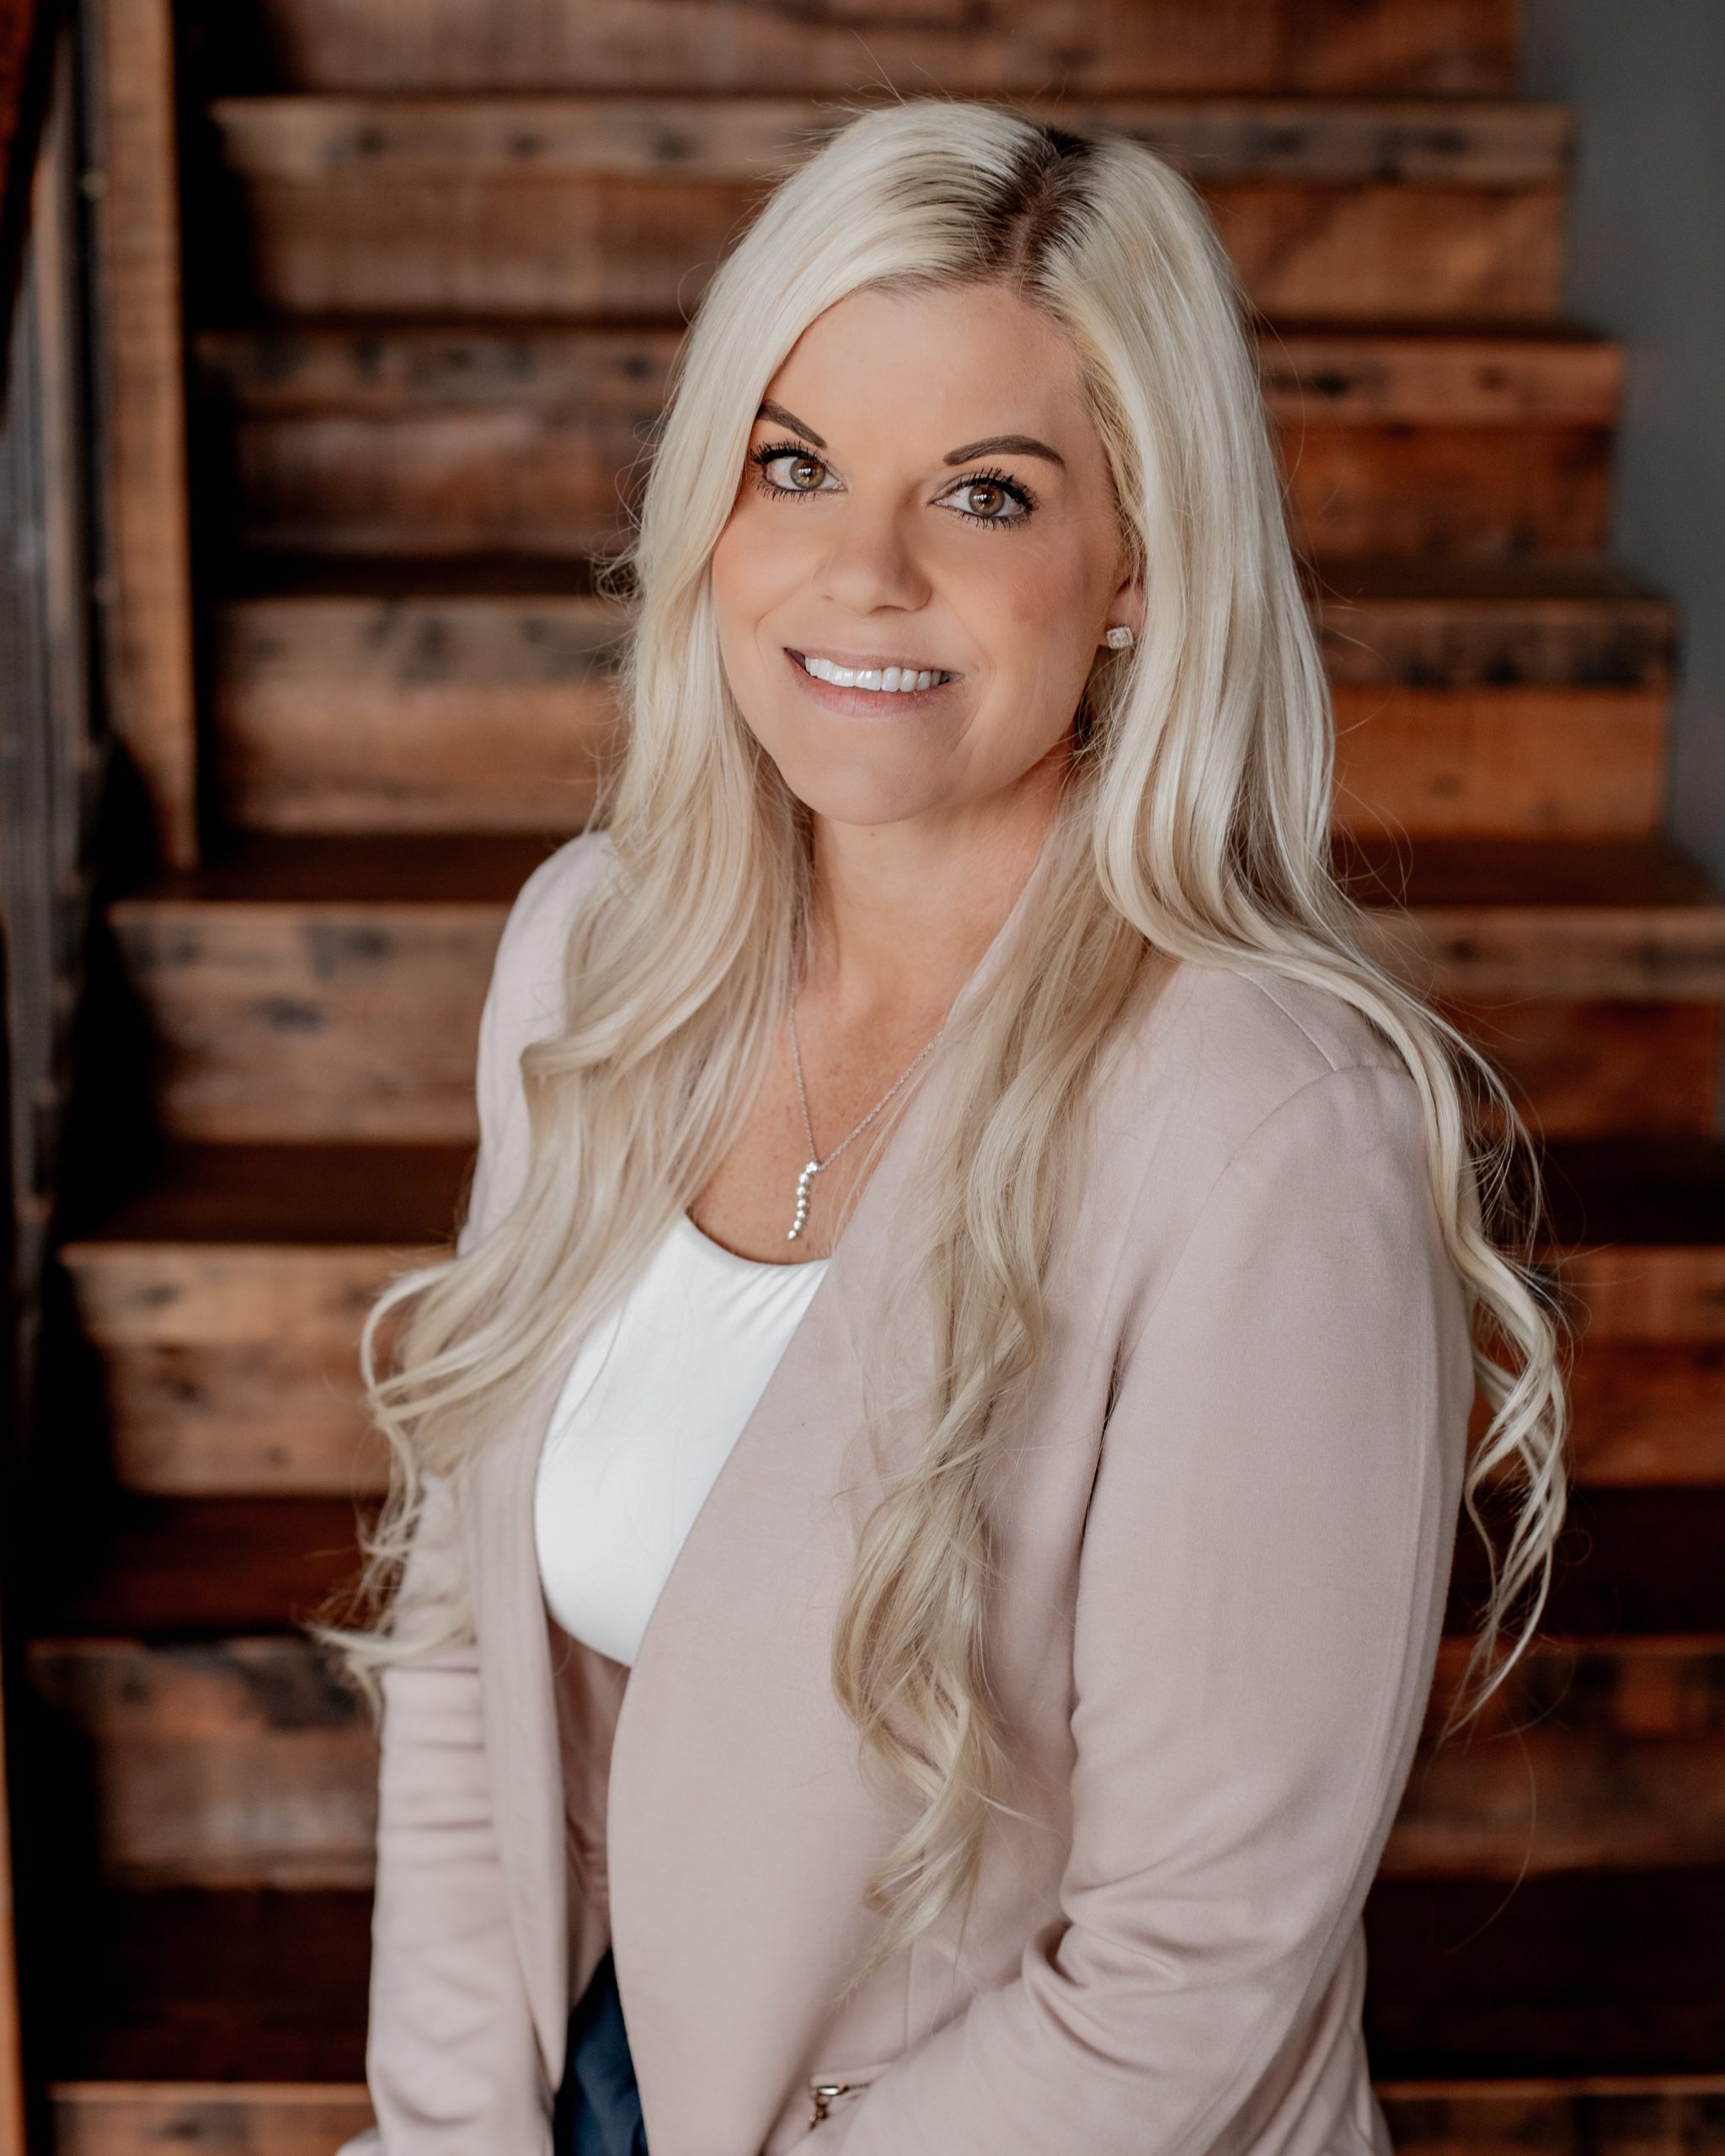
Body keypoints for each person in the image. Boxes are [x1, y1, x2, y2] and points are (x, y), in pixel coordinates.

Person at [325, 96, 1568, 2156]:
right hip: (620, 2081)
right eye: (793, 462)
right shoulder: (595, 958)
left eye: (986, 495)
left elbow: (1192, 1957)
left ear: (1135, 571)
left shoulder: (1268, 1127)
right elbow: (471, 1666)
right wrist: (449, 2131)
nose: (859, 570)